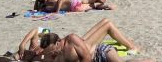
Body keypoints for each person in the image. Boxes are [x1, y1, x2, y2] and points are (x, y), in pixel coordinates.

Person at [14, 18, 142, 62]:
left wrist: (22, 43)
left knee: (107, 24)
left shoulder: (38, 44)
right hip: (79, 45)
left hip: (81, 47)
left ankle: (132, 46)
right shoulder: (40, 55)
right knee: (105, 23)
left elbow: (36, 30)